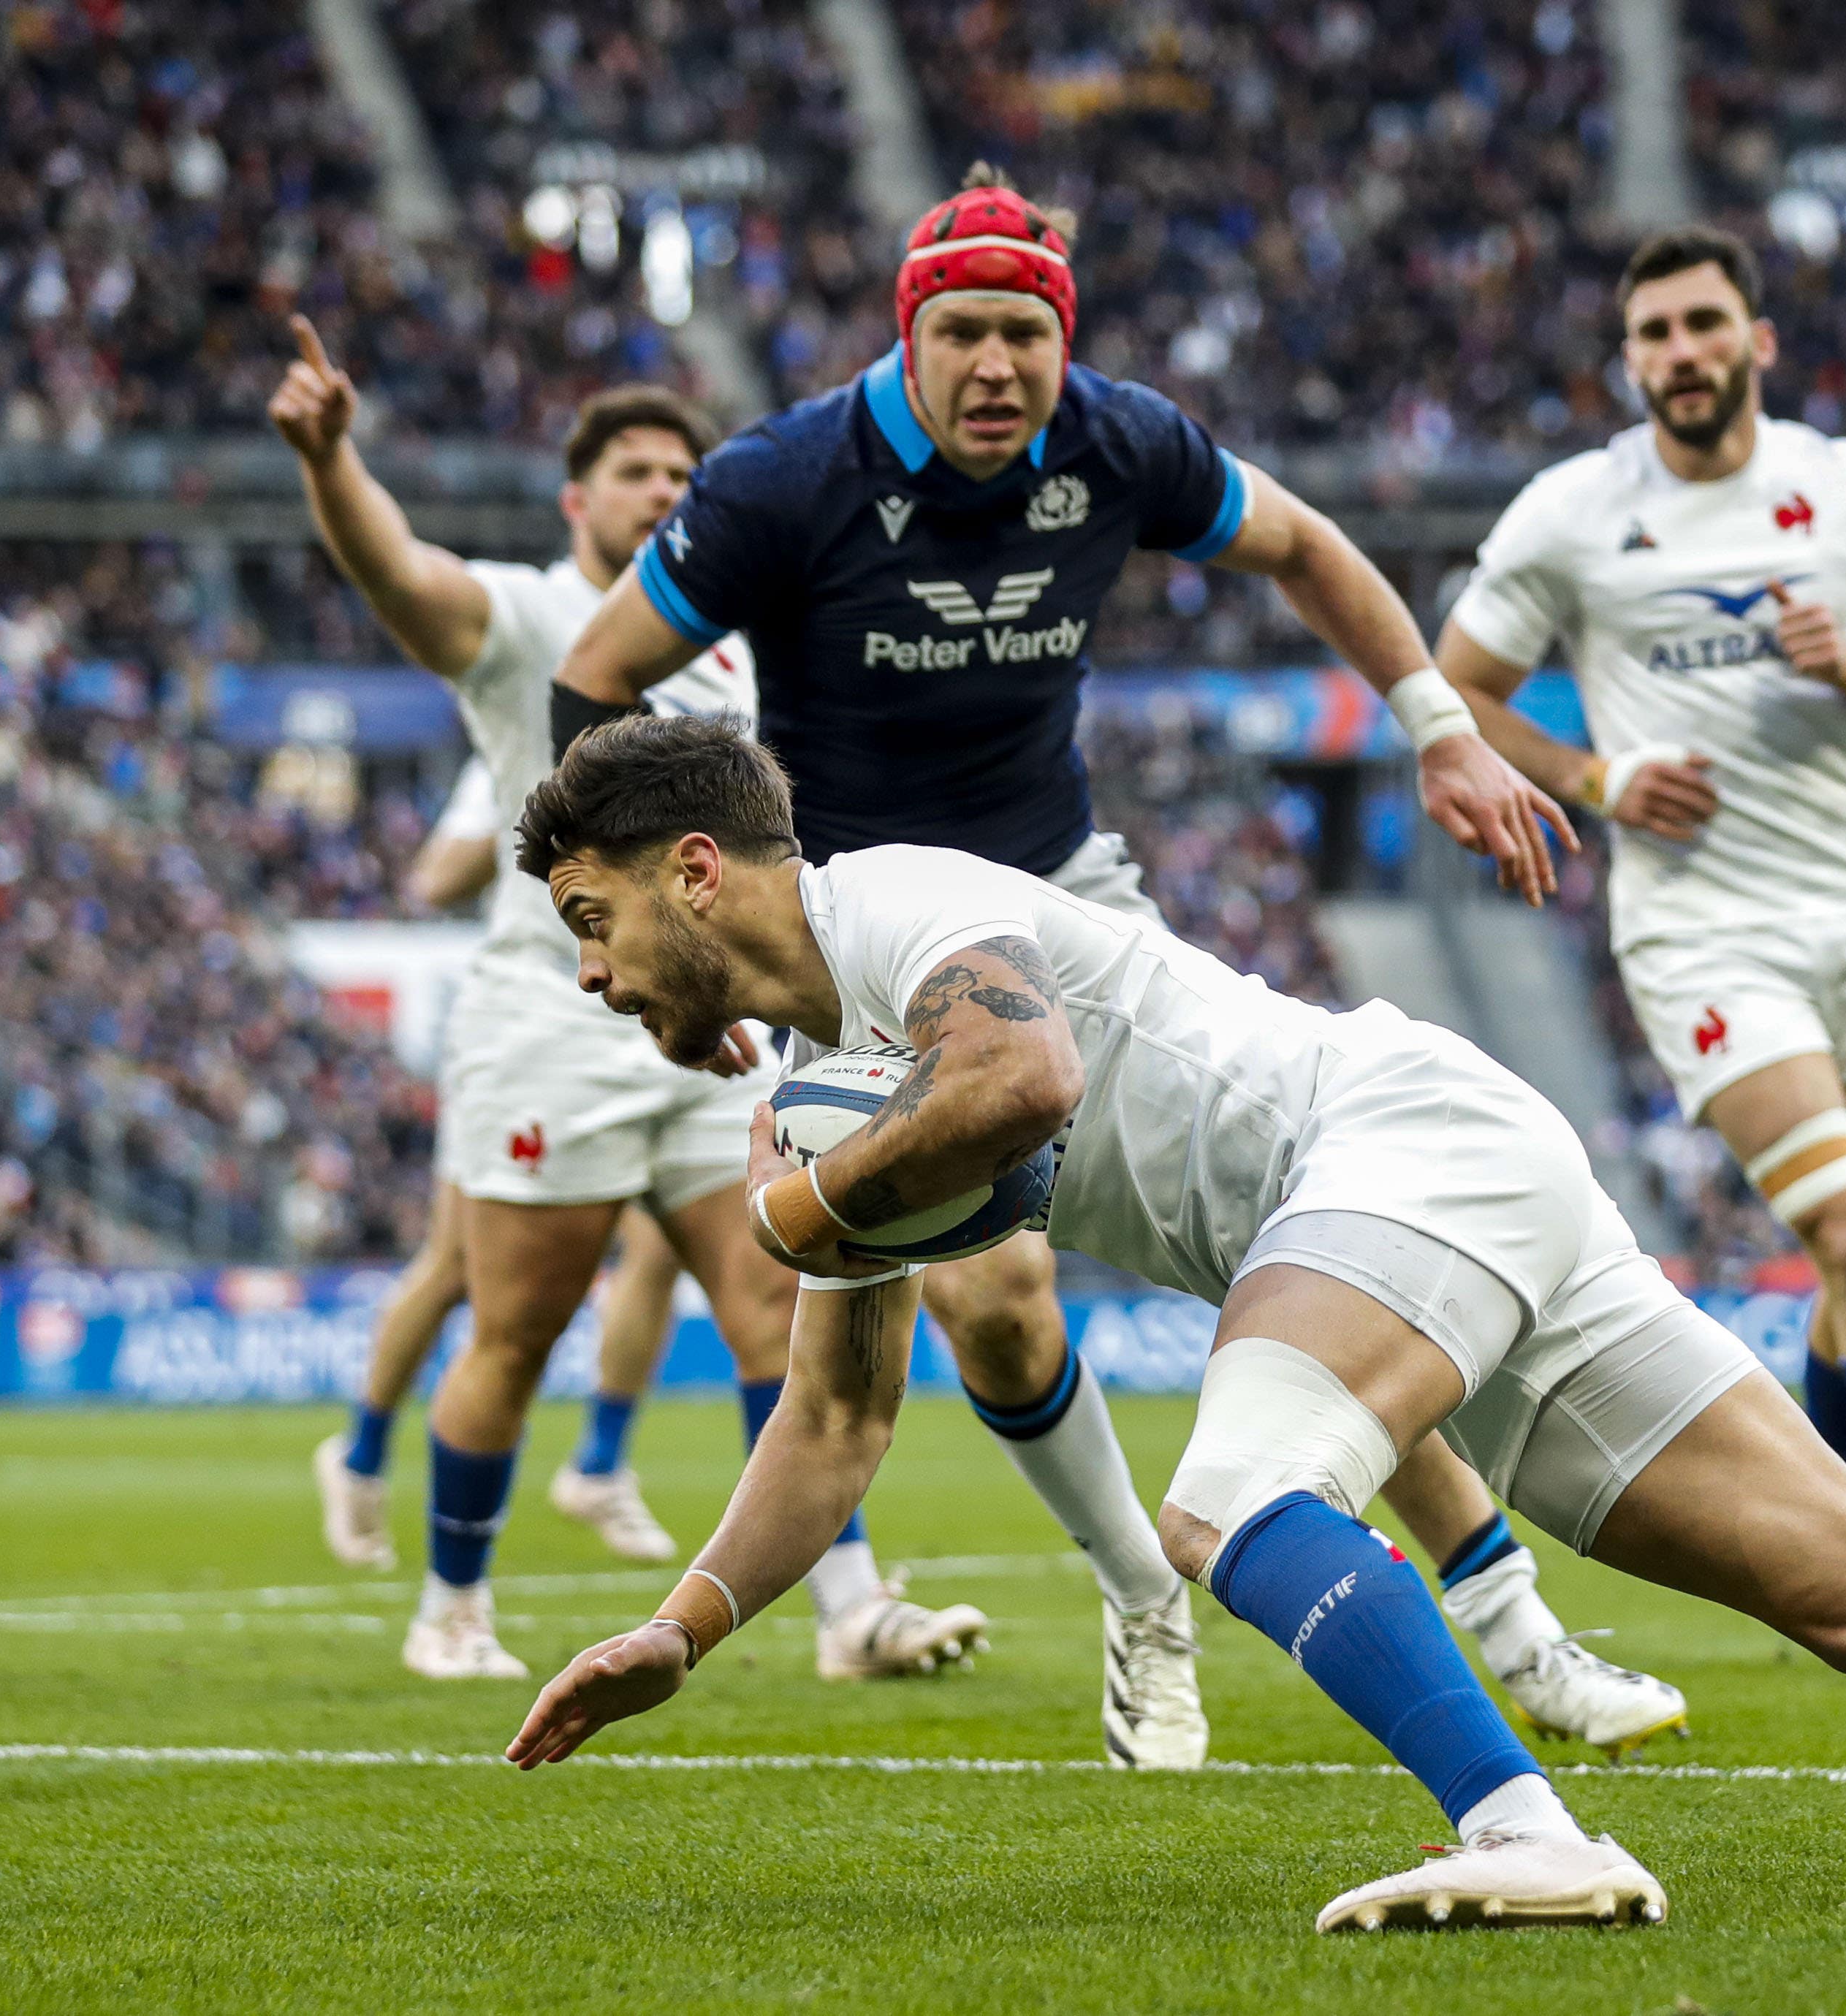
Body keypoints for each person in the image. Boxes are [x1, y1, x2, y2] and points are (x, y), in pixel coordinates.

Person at [499, 717, 1846, 1930]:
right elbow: (834, 1421)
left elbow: (1026, 1080)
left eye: (592, 922)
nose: (592, 981)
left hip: (1393, 1139)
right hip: (1436, 1192)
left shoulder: (894, 907)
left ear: (695, 867)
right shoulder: (833, 1088)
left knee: (1232, 1494)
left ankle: (1525, 1833)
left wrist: (794, 1198)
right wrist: (681, 1625)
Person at [537, 163, 1688, 1768]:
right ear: (907, 340)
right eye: (966, 333)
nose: (1000, 367)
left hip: (1057, 891)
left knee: (1293, 1232)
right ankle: (1143, 1591)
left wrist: (1434, 726)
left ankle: (1518, 1629)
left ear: (1063, 343)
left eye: (1028, 333)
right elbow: (592, 676)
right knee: (997, 1302)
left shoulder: (1118, 438)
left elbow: (1305, 544)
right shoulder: (778, 481)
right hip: (851, 938)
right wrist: (663, 932)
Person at [270, 329, 976, 1684]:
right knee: (519, 1326)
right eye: (635, 469)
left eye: (681, 473)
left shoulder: (725, 661)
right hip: (551, 1023)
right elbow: (398, 577)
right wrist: (330, 459)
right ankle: (454, 1605)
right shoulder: (531, 616)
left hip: (713, 1040)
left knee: (782, 1304)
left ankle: (846, 1608)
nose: (664, 490)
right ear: (574, 500)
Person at [1435, 226, 1846, 1532]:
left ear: (1755, 341)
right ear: (1628, 360)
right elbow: (1454, 688)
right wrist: (1592, 779)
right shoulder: (1573, 509)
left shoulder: (1845, 487)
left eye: (1702, 325)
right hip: (1702, 933)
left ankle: (1826, 1552)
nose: (1679, 353)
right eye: (1653, 333)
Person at [314, 758, 693, 1570]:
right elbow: (436, 879)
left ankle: (599, 1461)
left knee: (664, 1245)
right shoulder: (523, 743)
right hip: (527, 1031)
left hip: (643, 1018)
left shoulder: (688, 724)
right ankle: (361, 1455)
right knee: (457, 1264)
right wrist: (554, 821)